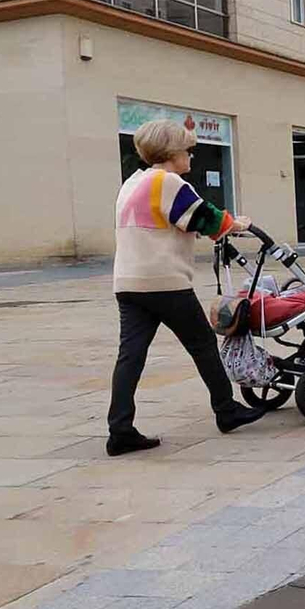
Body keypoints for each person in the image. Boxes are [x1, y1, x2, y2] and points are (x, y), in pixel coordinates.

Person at [107, 119, 265, 456]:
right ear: (171, 152)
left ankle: (119, 429)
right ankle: (227, 410)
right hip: (164, 281)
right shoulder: (169, 182)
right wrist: (238, 225)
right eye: (187, 150)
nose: (191, 157)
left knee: (130, 355)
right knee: (203, 343)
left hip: (128, 282)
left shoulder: (132, 183)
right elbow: (205, 219)